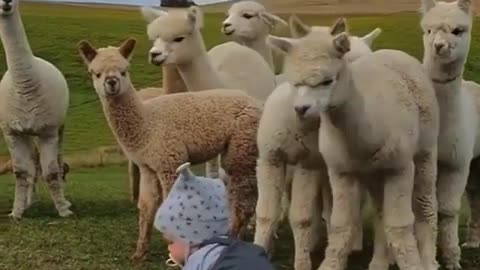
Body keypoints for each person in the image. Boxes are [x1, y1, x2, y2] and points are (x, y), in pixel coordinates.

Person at [153, 162, 276, 270]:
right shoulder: (243, 250)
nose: (168, 248)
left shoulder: (200, 260)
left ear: (191, 239)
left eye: (171, 241)